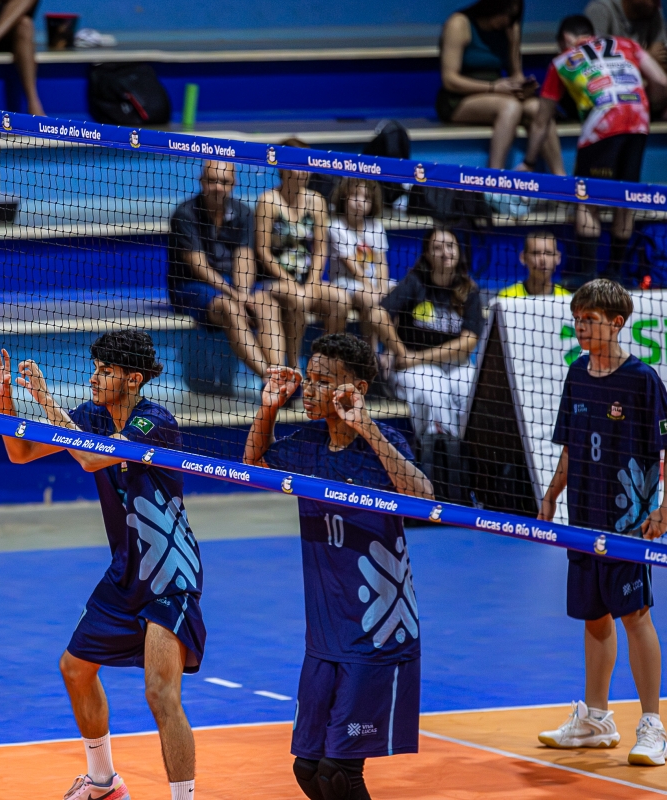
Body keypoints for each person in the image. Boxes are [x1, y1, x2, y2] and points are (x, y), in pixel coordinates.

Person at [0, 331, 204, 800]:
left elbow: (89, 457)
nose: (94, 378)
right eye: (95, 369)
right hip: (125, 573)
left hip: (168, 574)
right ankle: (103, 783)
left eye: (106, 371)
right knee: (75, 669)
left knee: (160, 693)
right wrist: (5, 399)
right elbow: (21, 452)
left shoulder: (154, 421)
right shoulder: (92, 417)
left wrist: (45, 400)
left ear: (133, 380)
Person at [243, 333, 433, 800]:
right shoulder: (308, 442)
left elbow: (425, 498)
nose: (310, 389)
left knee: (339, 773)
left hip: (376, 635)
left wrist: (367, 427)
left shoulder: (382, 443)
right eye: (309, 378)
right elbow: (252, 463)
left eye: (323, 381)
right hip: (325, 637)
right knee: (309, 769)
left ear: (357, 389)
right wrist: (268, 409)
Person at [536, 279, 667, 766]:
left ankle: (653, 725)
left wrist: (664, 508)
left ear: (616, 323)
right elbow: (571, 446)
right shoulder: (577, 373)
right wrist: (552, 494)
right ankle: (595, 719)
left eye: (589, 320)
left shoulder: (642, 380)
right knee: (594, 616)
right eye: (577, 320)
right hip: (583, 518)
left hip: (628, 521)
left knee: (635, 615)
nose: (581, 328)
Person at [525, 15, 667, 291]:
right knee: (626, 198)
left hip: (603, 124)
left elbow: (542, 120)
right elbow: (661, 80)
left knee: (586, 200)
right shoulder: (626, 44)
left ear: (565, 39)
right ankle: (616, 272)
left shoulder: (562, 60)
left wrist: (530, 161)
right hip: (639, 120)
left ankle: (588, 274)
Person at [169, 160, 285, 379]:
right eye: (212, 180)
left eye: (224, 181)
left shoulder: (243, 213)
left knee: (268, 304)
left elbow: (244, 257)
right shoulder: (185, 214)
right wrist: (235, 296)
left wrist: (243, 293)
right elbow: (198, 266)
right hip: (192, 286)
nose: (218, 187)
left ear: (233, 184)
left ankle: (278, 374)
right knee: (229, 308)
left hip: (233, 284)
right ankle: (270, 380)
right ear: (202, 181)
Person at [373, 226, 484, 443]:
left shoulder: (468, 289)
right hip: (414, 369)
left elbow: (468, 342)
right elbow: (377, 314)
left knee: (470, 388)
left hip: (452, 364)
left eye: (450, 246)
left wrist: (417, 357)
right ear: (427, 254)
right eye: (437, 247)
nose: (445, 252)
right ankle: (441, 454)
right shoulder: (415, 282)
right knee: (433, 389)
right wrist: (401, 352)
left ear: (458, 251)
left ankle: (471, 450)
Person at [437, 0, 565, 172]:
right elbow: (450, 80)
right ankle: (495, 176)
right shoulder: (459, 24)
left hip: (498, 92)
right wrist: (493, 87)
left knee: (538, 108)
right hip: (459, 98)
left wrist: (523, 87)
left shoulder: (509, 27)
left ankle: (560, 177)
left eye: (513, 16)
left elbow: (516, 74)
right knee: (510, 107)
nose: (507, 20)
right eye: (505, 13)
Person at [256, 139, 350, 368]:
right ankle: (294, 366)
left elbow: (320, 249)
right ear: (283, 168)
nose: (304, 171)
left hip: (308, 279)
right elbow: (262, 251)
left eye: (307, 165)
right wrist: (290, 282)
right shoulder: (268, 201)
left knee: (341, 301)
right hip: (274, 280)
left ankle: (324, 364)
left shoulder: (316, 201)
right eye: (298, 165)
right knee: (296, 299)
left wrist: (312, 282)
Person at [328, 178, 392, 342]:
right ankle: (370, 349)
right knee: (370, 298)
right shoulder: (336, 227)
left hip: (372, 283)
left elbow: (381, 262)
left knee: (398, 295)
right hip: (345, 282)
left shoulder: (376, 226)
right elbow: (354, 269)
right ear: (344, 197)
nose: (360, 202)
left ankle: (388, 353)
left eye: (366, 198)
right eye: (355, 195)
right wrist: (373, 290)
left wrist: (383, 288)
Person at [586, 0, 667, 71]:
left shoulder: (652, 10)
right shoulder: (600, 9)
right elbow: (596, 64)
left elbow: (661, 60)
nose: (654, 3)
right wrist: (646, 58)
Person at [497, 230, 571, 298]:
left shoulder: (566, 298)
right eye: (536, 253)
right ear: (523, 258)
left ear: (558, 258)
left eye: (548, 253)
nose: (543, 259)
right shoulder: (506, 297)